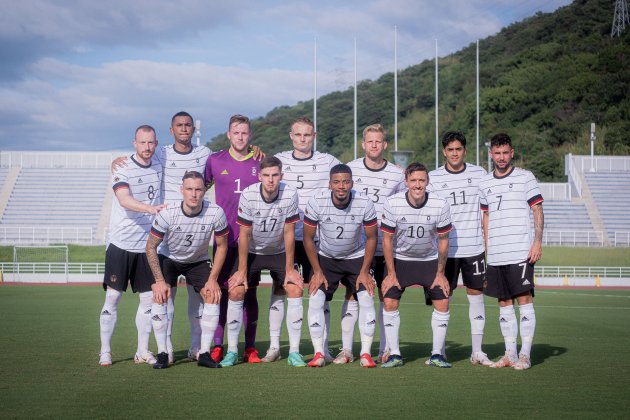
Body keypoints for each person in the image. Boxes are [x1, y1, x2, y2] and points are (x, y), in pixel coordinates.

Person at [112, 111, 212, 364]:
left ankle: (195, 347)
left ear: (193, 129)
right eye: (179, 125)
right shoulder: (161, 153)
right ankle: (164, 349)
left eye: (188, 125)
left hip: (194, 232)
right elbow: (138, 158)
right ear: (171, 130)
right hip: (166, 231)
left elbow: (220, 168)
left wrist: (254, 150)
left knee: (196, 300)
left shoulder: (205, 153)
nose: (184, 129)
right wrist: (116, 160)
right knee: (164, 298)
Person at [222, 156, 305, 367]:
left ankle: (288, 350)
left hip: (278, 250)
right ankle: (232, 351)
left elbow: (289, 232)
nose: (271, 180)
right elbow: (244, 233)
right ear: (259, 176)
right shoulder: (249, 195)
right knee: (236, 290)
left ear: (281, 176)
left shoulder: (290, 193)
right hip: (252, 251)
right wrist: (241, 270)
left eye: (275, 175)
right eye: (266, 176)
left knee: (293, 288)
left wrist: (289, 269)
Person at [146, 171, 229, 369]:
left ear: (204, 191)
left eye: (199, 189)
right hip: (170, 259)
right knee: (160, 295)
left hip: (198, 260)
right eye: (190, 189)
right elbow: (150, 247)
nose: (194, 194)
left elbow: (222, 246)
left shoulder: (215, 212)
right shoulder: (168, 213)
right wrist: (159, 280)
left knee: (212, 294)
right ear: (181, 190)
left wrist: (213, 279)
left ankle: (204, 353)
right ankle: (163, 353)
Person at [99, 125, 166, 366]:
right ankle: (105, 350)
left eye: (151, 143)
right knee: (113, 297)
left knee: (148, 299)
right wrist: (150, 209)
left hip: (146, 246)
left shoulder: (159, 162)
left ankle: (142, 350)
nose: (147, 148)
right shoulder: (123, 167)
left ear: (156, 144)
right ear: (134, 143)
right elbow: (124, 199)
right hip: (121, 243)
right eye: (142, 143)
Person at [275, 117, 340, 361]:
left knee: (318, 289)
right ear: (291, 136)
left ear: (314, 136)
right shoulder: (280, 160)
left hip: (317, 238)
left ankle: (321, 347)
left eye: (307, 135)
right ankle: (275, 346)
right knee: (281, 289)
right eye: (298, 135)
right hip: (286, 238)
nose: (302, 139)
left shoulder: (328, 161)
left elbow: (350, 177)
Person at [478, 133, 544, 370]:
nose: (502, 157)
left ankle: (525, 355)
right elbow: (486, 216)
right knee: (503, 302)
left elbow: (537, 209)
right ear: (491, 154)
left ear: (512, 152)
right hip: (497, 253)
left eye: (505, 152)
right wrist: (488, 249)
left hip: (520, 251)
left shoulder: (525, 178)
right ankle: (510, 353)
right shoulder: (485, 182)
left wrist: (537, 242)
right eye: (497, 153)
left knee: (524, 300)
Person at [303, 164, 378, 368]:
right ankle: (320, 352)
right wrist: (317, 271)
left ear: (352, 183)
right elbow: (308, 238)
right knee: (316, 297)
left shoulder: (364, 202)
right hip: (327, 258)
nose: (341, 186)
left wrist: (364, 271)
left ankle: (365, 353)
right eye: (336, 182)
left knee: (367, 297)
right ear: (330, 184)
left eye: (345, 181)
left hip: (356, 257)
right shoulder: (317, 201)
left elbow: (372, 238)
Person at [427, 131, 492, 366]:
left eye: (458, 149)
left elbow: (487, 210)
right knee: (443, 300)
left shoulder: (479, 174)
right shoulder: (433, 178)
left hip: (473, 248)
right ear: (444, 151)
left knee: (476, 298)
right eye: (450, 150)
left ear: (464, 150)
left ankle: (477, 351)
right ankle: (439, 351)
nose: (454, 153)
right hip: (445, 251)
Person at [380, 162, 453, 368]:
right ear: (406, 182)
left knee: (442, 302)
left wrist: (440, 273)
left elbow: (444, 240)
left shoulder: (440, 204)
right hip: (400, 259)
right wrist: (391, 273)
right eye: (413, 180)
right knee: (390, 302)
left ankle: (437, 354)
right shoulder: (393, 203)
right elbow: (386, 239)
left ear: (428, 182)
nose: (417, 185)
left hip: (428, 260)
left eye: (422, 180)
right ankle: (394, 354)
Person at [205, 114, 262, 364]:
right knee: (220, 293)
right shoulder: (215, 160)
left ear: (250, 136)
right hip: (224, 241)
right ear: (229, 134)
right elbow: (197, 188)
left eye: (245, 133)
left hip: (252, 241)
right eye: (236, 133)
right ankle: (218, 345)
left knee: (248, 294)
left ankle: (249, 347)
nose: (240, 137)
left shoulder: (260, 161)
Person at [346, 123, 405, 364]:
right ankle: (348, 349)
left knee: (387, 297)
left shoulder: (396, 174)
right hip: (358, 247)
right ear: (363, 144)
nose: (374, 145)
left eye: (378, 141)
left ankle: (386, 348)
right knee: (353, 296)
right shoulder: (350, 169)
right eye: (369, 141)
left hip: (388, 247)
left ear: (385, 144)